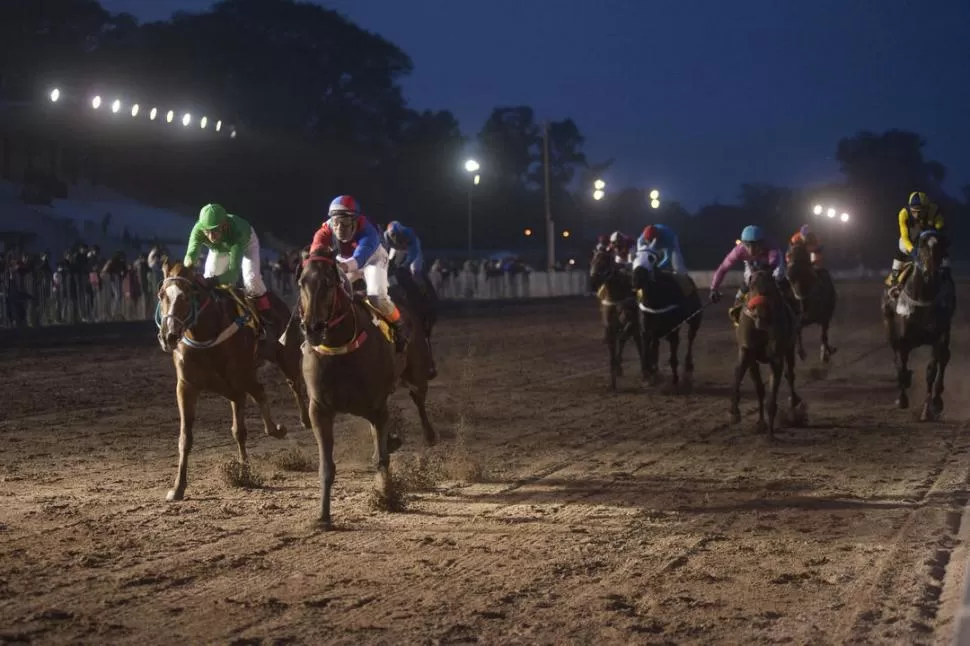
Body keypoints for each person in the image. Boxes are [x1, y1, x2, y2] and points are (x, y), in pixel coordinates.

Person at [309, 195, 410, 351]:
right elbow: (315, 254)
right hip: (346, 261)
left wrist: (339, 268)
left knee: (376, 296)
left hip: (372, 260)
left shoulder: (368, 231)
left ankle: (399, 325)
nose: (339, 228)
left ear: (355, 220)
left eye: (345, 222)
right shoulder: (325, 229)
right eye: (336, 222)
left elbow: (360, 259)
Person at [183, 203, 277, 337]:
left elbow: (233, 274)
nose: (210, 236)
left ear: (225, 225)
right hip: (219, 249)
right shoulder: (198, 229)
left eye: (215, 230)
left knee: (251, 279)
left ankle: (267, 318)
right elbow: (190, 256)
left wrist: (210, 281)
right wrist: (187, 270)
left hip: (246, 244)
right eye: (206, 231)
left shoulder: (237, 232)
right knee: (209, 276)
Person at [709, 225, 788, 316]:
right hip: (752, 264)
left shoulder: (771, 246)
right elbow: (723, 268)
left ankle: (793, 305)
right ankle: (739, 301)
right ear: (742, 243)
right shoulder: (738, 250)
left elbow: (774, 263)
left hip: (771, 263)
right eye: (747, 245)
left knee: (778, 276)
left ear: (762, 243)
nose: (751, 250)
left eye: (755, 245)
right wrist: (714, 288)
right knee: (748, 281)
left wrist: (767, 271)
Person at [888, 191, 948, 290]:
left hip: (929, 236)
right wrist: (913, 250)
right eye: (914, 211)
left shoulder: (934, 209)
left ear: (927, 208)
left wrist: (936, 229)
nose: (917, 215)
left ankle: (946, 274)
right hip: (911, 240)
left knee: (941, 247)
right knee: (902, 247)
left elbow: (940, 223)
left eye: (920, 211)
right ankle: (894, 277)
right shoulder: (903, 213)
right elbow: (904, 237)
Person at [384, 221, 428, 290]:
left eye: (397, 235)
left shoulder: (409, 234)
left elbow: (413, 254)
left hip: (412, 248)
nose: (395, 238)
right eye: (393, 235)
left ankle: (424, 290)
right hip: (398, 248)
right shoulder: (386, 236)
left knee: (415, 271)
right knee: (390, 265)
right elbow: (387, 249)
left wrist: (404, 265)